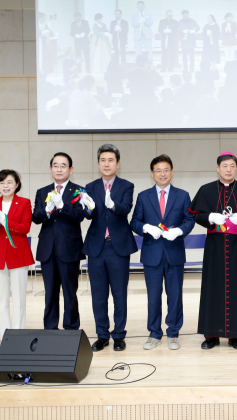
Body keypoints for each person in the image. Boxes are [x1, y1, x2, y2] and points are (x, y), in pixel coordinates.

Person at [188, 153, 237, 350]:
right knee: (213, 289)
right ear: (218, 168)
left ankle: (235, 336)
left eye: (232, 166)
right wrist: (210, 217)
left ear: (236, 168)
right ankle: (211, 335)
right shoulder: (206, 190)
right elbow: (196, 214)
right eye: (224, 166)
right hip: (214, 248)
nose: (228, 169)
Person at [130, 155, 195, 350]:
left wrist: (179, 231)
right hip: (152, 254)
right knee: (154, 295)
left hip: (174, 253)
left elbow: (189, 220)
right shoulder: (143, 196)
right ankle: (154, 333)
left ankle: (173, 333)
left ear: (172, 172)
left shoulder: (182, 195)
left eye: (166, 170)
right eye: (158, 170)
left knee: (175, 295)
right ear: (152, 174)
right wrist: (146, 228)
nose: (162, 174)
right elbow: (134, 222)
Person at [83, 145, 138, 352]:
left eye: (111, 160)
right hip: (96, 247)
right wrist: (86, 206)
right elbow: (88, 215)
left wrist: (112, 204)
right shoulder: (90, 186)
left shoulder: (126, 186)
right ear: (98, 164)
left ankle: (119, 335)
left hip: (118, 248)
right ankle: (102, 335)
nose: (107, 164)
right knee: (98, 295)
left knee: (119, 294)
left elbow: (125, 209)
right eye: (103, 160)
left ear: (118, 163)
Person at [32, 153, 88, 332]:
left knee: (70, 293)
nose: (59, 169)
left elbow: (80, 215)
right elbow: (36, 218)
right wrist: (48, 211)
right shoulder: (42, 192)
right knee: (50, 293)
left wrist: (63, 207)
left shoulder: (79, 190)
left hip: (69, 249)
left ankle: (71, 329)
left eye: (63, 165)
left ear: (71, 169)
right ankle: (50, 329)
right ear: (50, 169)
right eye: (55, 165)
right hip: (47, 249)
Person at [0, 170, 35, 339]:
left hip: (18, 255)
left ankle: (18, 336)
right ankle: (5, 336)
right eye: (2, 183)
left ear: (17, 184)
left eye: (10, 182)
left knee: (19, 299)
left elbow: (25, 228)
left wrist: (6, 221)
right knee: (1, 300)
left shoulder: (25, 203)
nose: (6, 186)